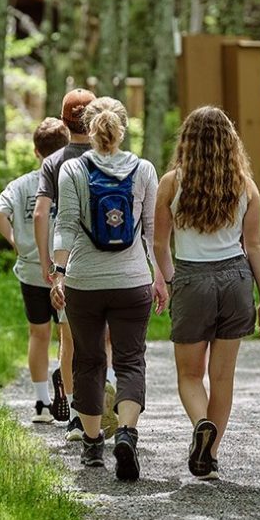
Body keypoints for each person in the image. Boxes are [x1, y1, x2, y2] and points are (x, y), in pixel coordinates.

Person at [153, 106, 260, 481]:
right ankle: (210, 454)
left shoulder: (171, 183)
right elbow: (254, 246)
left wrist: (173, 281)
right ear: (229, 142)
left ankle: (201, 424)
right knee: (222, 378)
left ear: (187, 141)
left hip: (192, 278)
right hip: (237, 279)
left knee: (190, 374)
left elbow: (159, 243)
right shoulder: (245, 185)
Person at [50, 96, 167, 479]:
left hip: (84, 281)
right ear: (122, 127)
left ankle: (92, 444)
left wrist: (58, 273)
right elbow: (151, 231)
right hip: (133, 280)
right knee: (131, 360)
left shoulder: (72, 170)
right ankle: (128, 435)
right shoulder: (144, 169)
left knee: (88, 360)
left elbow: (65, 225)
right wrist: (160, 276)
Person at [34, 88, 119, 442]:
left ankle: (75, 414)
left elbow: (41, 213)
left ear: (64, 118)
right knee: (109, 337)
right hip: (115, 260)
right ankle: (109, 391)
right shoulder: (114, 153)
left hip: (71, 261)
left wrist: (47, 264)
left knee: (70, 340)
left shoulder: (55, 162)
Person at [0, 118, 72, 423]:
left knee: (38, 334)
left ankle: (41, 405)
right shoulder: (69, 180)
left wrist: (15, 240)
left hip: (30, 270)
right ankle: (74, 403)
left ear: (36, 151)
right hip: (65, 271)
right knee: (68, 336)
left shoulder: (23, 183)